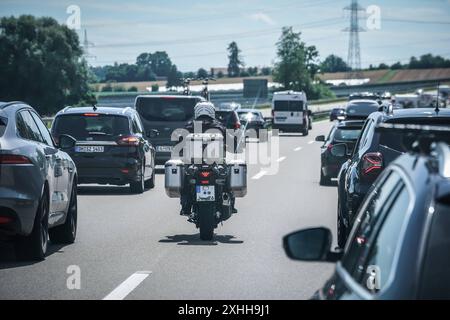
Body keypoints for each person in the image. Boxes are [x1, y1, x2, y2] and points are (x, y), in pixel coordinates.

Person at [180, 102, 237, 217]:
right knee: (227, 178)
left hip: (194, 163)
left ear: (197, 111)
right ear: (212, 111)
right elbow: (233, 145)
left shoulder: (189, 126)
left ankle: (185, 205)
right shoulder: (219, 126)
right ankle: (230, 202)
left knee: (185, 178)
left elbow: (179, 145)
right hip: (216, 163)